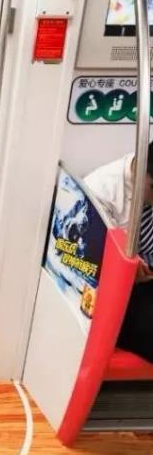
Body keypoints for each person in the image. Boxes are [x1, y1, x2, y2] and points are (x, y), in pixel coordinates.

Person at [84, 142, 153, 363]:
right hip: (123, 290)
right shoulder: (101, 191)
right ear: (142, 173)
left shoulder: (147, 171)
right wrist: (126, 269)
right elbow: (90, 260)